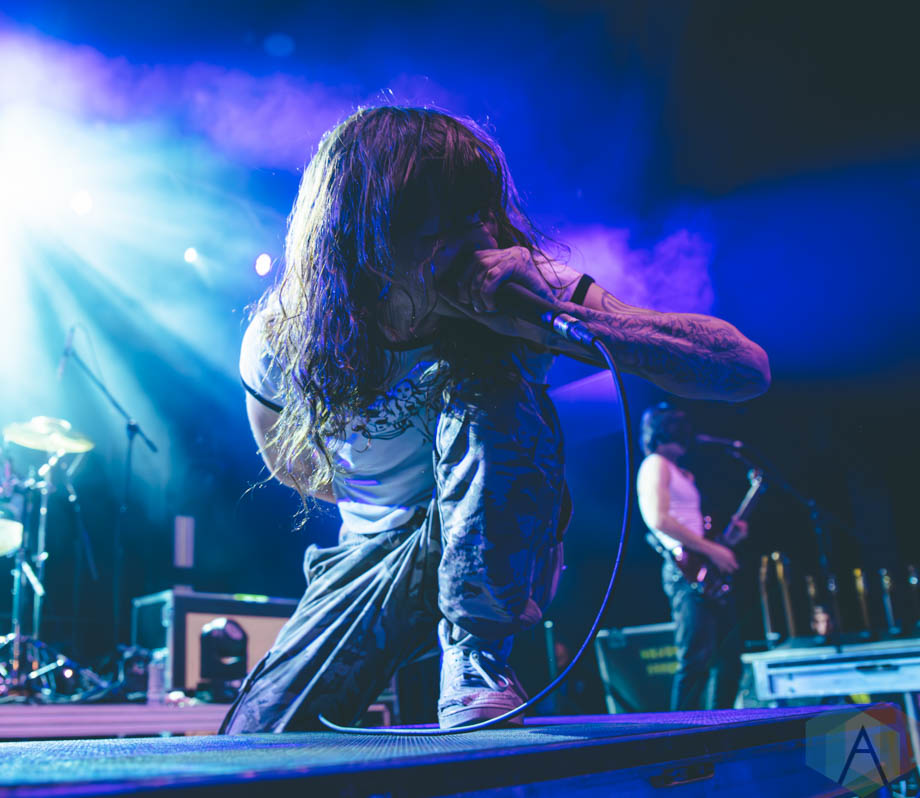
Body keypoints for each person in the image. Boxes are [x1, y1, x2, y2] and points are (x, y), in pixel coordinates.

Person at [224, 106, 770, 732]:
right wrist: (411, 522)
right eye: (444, 225)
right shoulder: (286, 335)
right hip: (370, 554)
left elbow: (743, 368)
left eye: (480, 213)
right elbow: (291, 464)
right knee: (259, 733)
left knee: (492, 383)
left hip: (502, 549)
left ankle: (476, 652)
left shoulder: (526, 285)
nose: (479, 239)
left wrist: (556, 325)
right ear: (370, 238)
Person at [636, 403, 746, 710]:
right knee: (696, 659)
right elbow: (658, 519)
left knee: (729, 657)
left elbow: (691, 526)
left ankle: (723, 725)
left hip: (701, 565)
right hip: (683, 569)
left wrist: (727, 541)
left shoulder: (681, 473)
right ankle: (681, 731)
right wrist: (712, 550)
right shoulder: (655, 464)